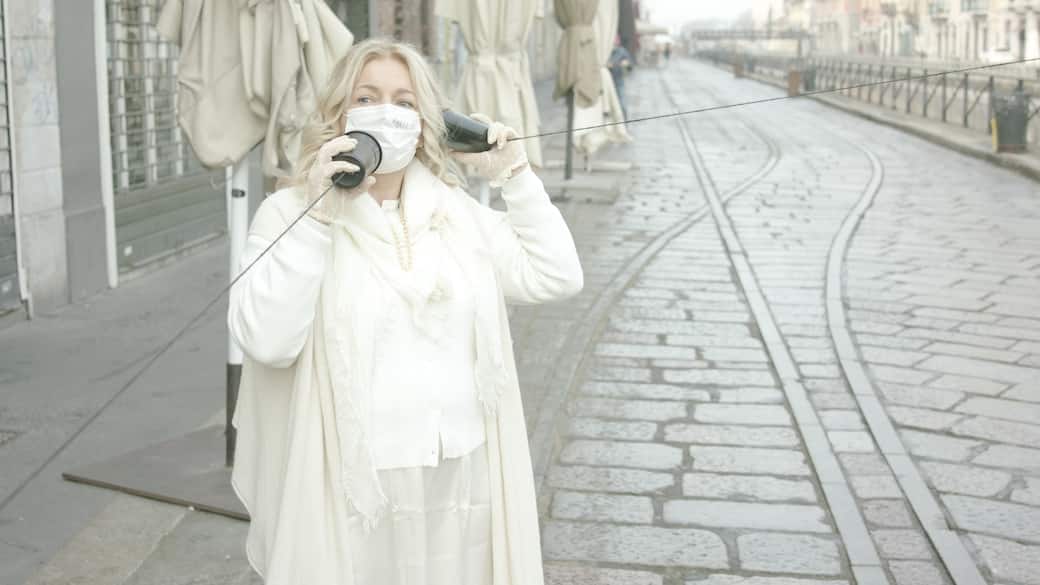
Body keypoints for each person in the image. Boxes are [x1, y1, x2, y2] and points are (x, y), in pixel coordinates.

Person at [227, 38, 583, 585]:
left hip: (461, 485)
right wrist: (318, 216)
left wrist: (516, 176)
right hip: (352, 493)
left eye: (404, 101)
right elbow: (268, 340)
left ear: (426, 123)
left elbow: (556, 274)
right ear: (338, 114)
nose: (386, 112)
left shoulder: (456, 213)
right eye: (366, 97)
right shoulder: (289, 213)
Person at [608, 36, 633, 119]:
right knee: (609, 104)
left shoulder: (622, 51)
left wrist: (627, 63)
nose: (614, 42)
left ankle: (624, 121)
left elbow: (630, 66)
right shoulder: (605, 51)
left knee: (622, 102)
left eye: (616, 41)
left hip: (619, 80)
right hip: (607, 81)